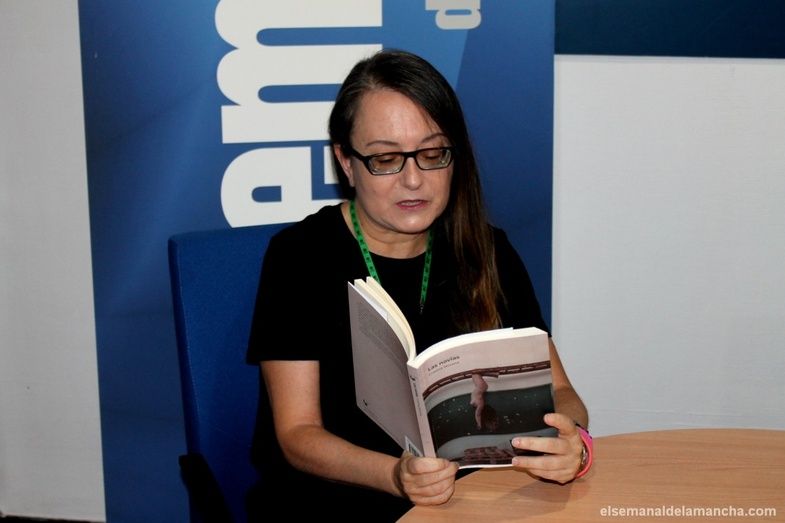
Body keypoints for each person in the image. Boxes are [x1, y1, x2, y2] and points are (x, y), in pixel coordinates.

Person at [246, 49, 590, 521]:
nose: (413, 180)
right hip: (337, 501)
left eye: (432, 155)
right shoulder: (300, 256)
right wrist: (394, 475)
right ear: (346, 162)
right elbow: (298, 435)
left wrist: (572, 439)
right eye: (386, 159)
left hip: (474, 500)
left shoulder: (486, 248)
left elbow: (561, 391)